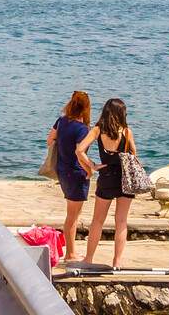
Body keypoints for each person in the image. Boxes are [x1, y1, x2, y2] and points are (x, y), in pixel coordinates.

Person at [81, 97, 138, 267]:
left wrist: (92, 166)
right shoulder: (127, 132)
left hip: (106, 177)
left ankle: (89, 259)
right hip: (124, 179)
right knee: (121, 221)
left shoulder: (98, 130)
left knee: (97, 220)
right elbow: (134, 155)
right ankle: (117, 262)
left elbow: (79, 150)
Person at [46, 90, 95, 255]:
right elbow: (79, 153)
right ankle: (70, 253)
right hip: (76, 173)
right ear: (86, 108)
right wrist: (90, 170)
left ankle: (70, 251)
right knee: (73, 216)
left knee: (72, 214)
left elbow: (49, 140)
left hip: (62, 170)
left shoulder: (61, 121)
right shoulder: (82, 129)